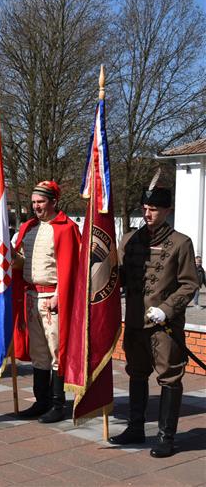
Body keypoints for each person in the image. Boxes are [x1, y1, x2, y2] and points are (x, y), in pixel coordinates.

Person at [109, 186, 198, 458]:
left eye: (154, 209)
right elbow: (121, 277)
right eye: (145, 209)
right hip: (135, 320)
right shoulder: (130, 240)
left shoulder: (181, 243)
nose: (147, 214)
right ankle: (136, 428)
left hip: (164, 326)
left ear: (167, 210)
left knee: (169, 377)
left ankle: (165, 436)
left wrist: (167, 309)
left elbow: (189, 284)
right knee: (136, 373)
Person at [12, 180, 80, 424]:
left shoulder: (66, 228)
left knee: (56, 352)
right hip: (30, 296)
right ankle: (41, 402)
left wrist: (58, 295)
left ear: (53, 202)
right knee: (38, 352)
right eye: (33, 202)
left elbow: (71, 267)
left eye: (40, 202)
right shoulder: (28, 227)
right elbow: (20, 260)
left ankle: (58, 403)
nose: (36, 206)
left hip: (52, 298)